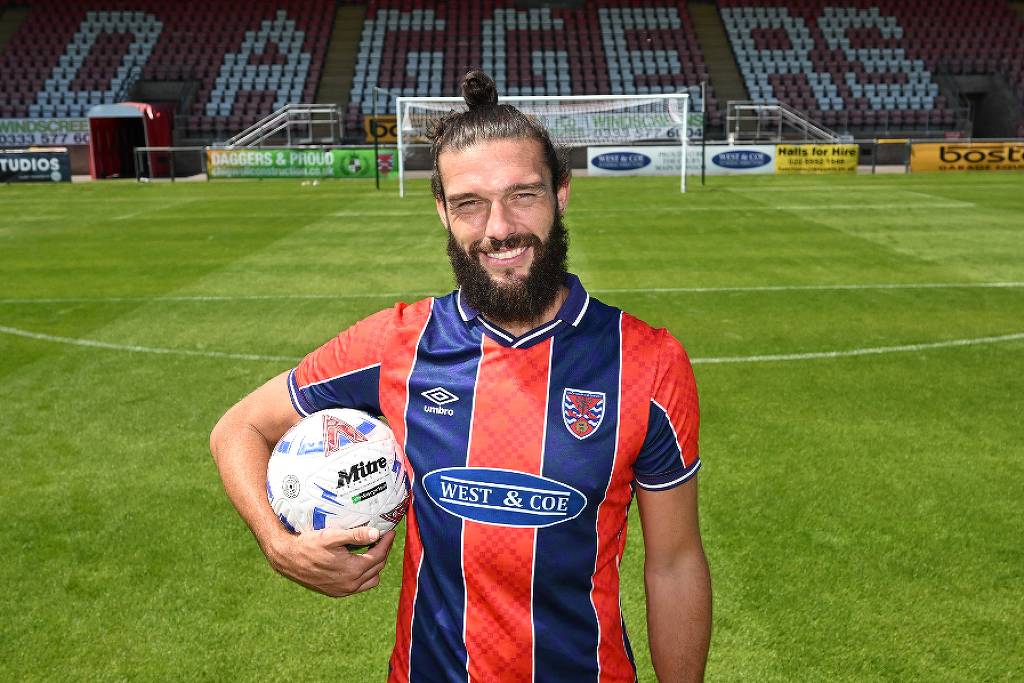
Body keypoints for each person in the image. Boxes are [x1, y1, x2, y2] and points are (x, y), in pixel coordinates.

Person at [211, 71, 711, 682]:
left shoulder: (649, 362)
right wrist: (279, 544)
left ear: (561, 194)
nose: (498, 228)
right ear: (443, 212)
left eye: (522, 195)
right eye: (470, 204)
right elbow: (239, 428)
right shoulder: (395, 343)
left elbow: (675, 563)